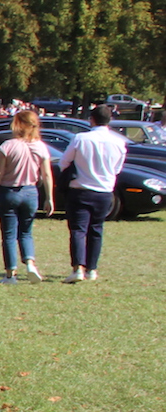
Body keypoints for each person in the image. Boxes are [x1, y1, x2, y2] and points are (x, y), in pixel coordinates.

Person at [58, 104, 127, 282]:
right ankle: (92, 269)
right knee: (96, 229)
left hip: (80, 189)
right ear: (110, 120)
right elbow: (117, 169)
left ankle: (77, 268)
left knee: (78, 230)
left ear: (92, 119)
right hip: (104, 191)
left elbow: (64, 162)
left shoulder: (81, 138)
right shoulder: (119, 142)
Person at [0, 108, 54, 283]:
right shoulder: (41, 147)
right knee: (26, 232)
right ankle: (30, 264)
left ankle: (11, 274)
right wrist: (49, 197)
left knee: (9, 234)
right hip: (30, 192)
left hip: (9, 191)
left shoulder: (8, 146)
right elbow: (46, 174)